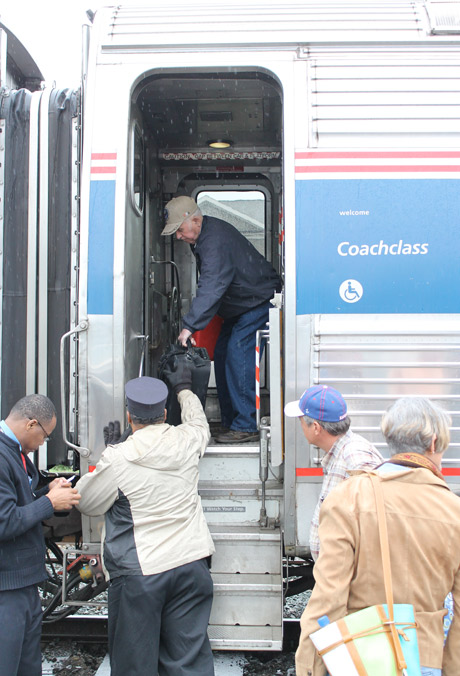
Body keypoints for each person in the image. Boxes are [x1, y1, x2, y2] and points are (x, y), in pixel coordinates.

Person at [295, 396, 460, 676]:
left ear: (390, 439)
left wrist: (310, 667)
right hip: (425, 660)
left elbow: (328, 599)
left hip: (361, 657)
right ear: (433, 444)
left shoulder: (349, 497)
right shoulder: (453, 511)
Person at [76, 372, 215, 676]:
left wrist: (109, 451)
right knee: (188, 664)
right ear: (164, 414)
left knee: (135, 667)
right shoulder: (188, 439)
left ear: (129, 416)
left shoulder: (119, 457)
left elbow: (87, 502)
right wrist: (184, 390)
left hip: (142, 575)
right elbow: (198, 422)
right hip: (192, 566)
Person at [161, 195, 282, 444]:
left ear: (195, 220)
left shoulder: (213, 240)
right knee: (225, 353)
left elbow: (213, 285)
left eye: (180, 230)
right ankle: (231, 422)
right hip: (242, 305)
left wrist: (189, 327)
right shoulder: (204, 236)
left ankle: (246, 424)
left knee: (239, 353)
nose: (178, 237)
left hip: (258, 300)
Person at [0, 394, 81, 676]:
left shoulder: (12, 450)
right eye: (45, 436)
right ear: (32, 424)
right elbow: (4, 521)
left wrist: (46, 492)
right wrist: (49, 503)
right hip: (6, 588)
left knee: (27, 666)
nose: (43, 443)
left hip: (22, 583)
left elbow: (17, 503)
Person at [284, 384, 383, 560]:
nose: (300, 426)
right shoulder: (342, 452)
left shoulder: (355, 457)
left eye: (301, 421)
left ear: (316, 427)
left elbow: (375, 525)